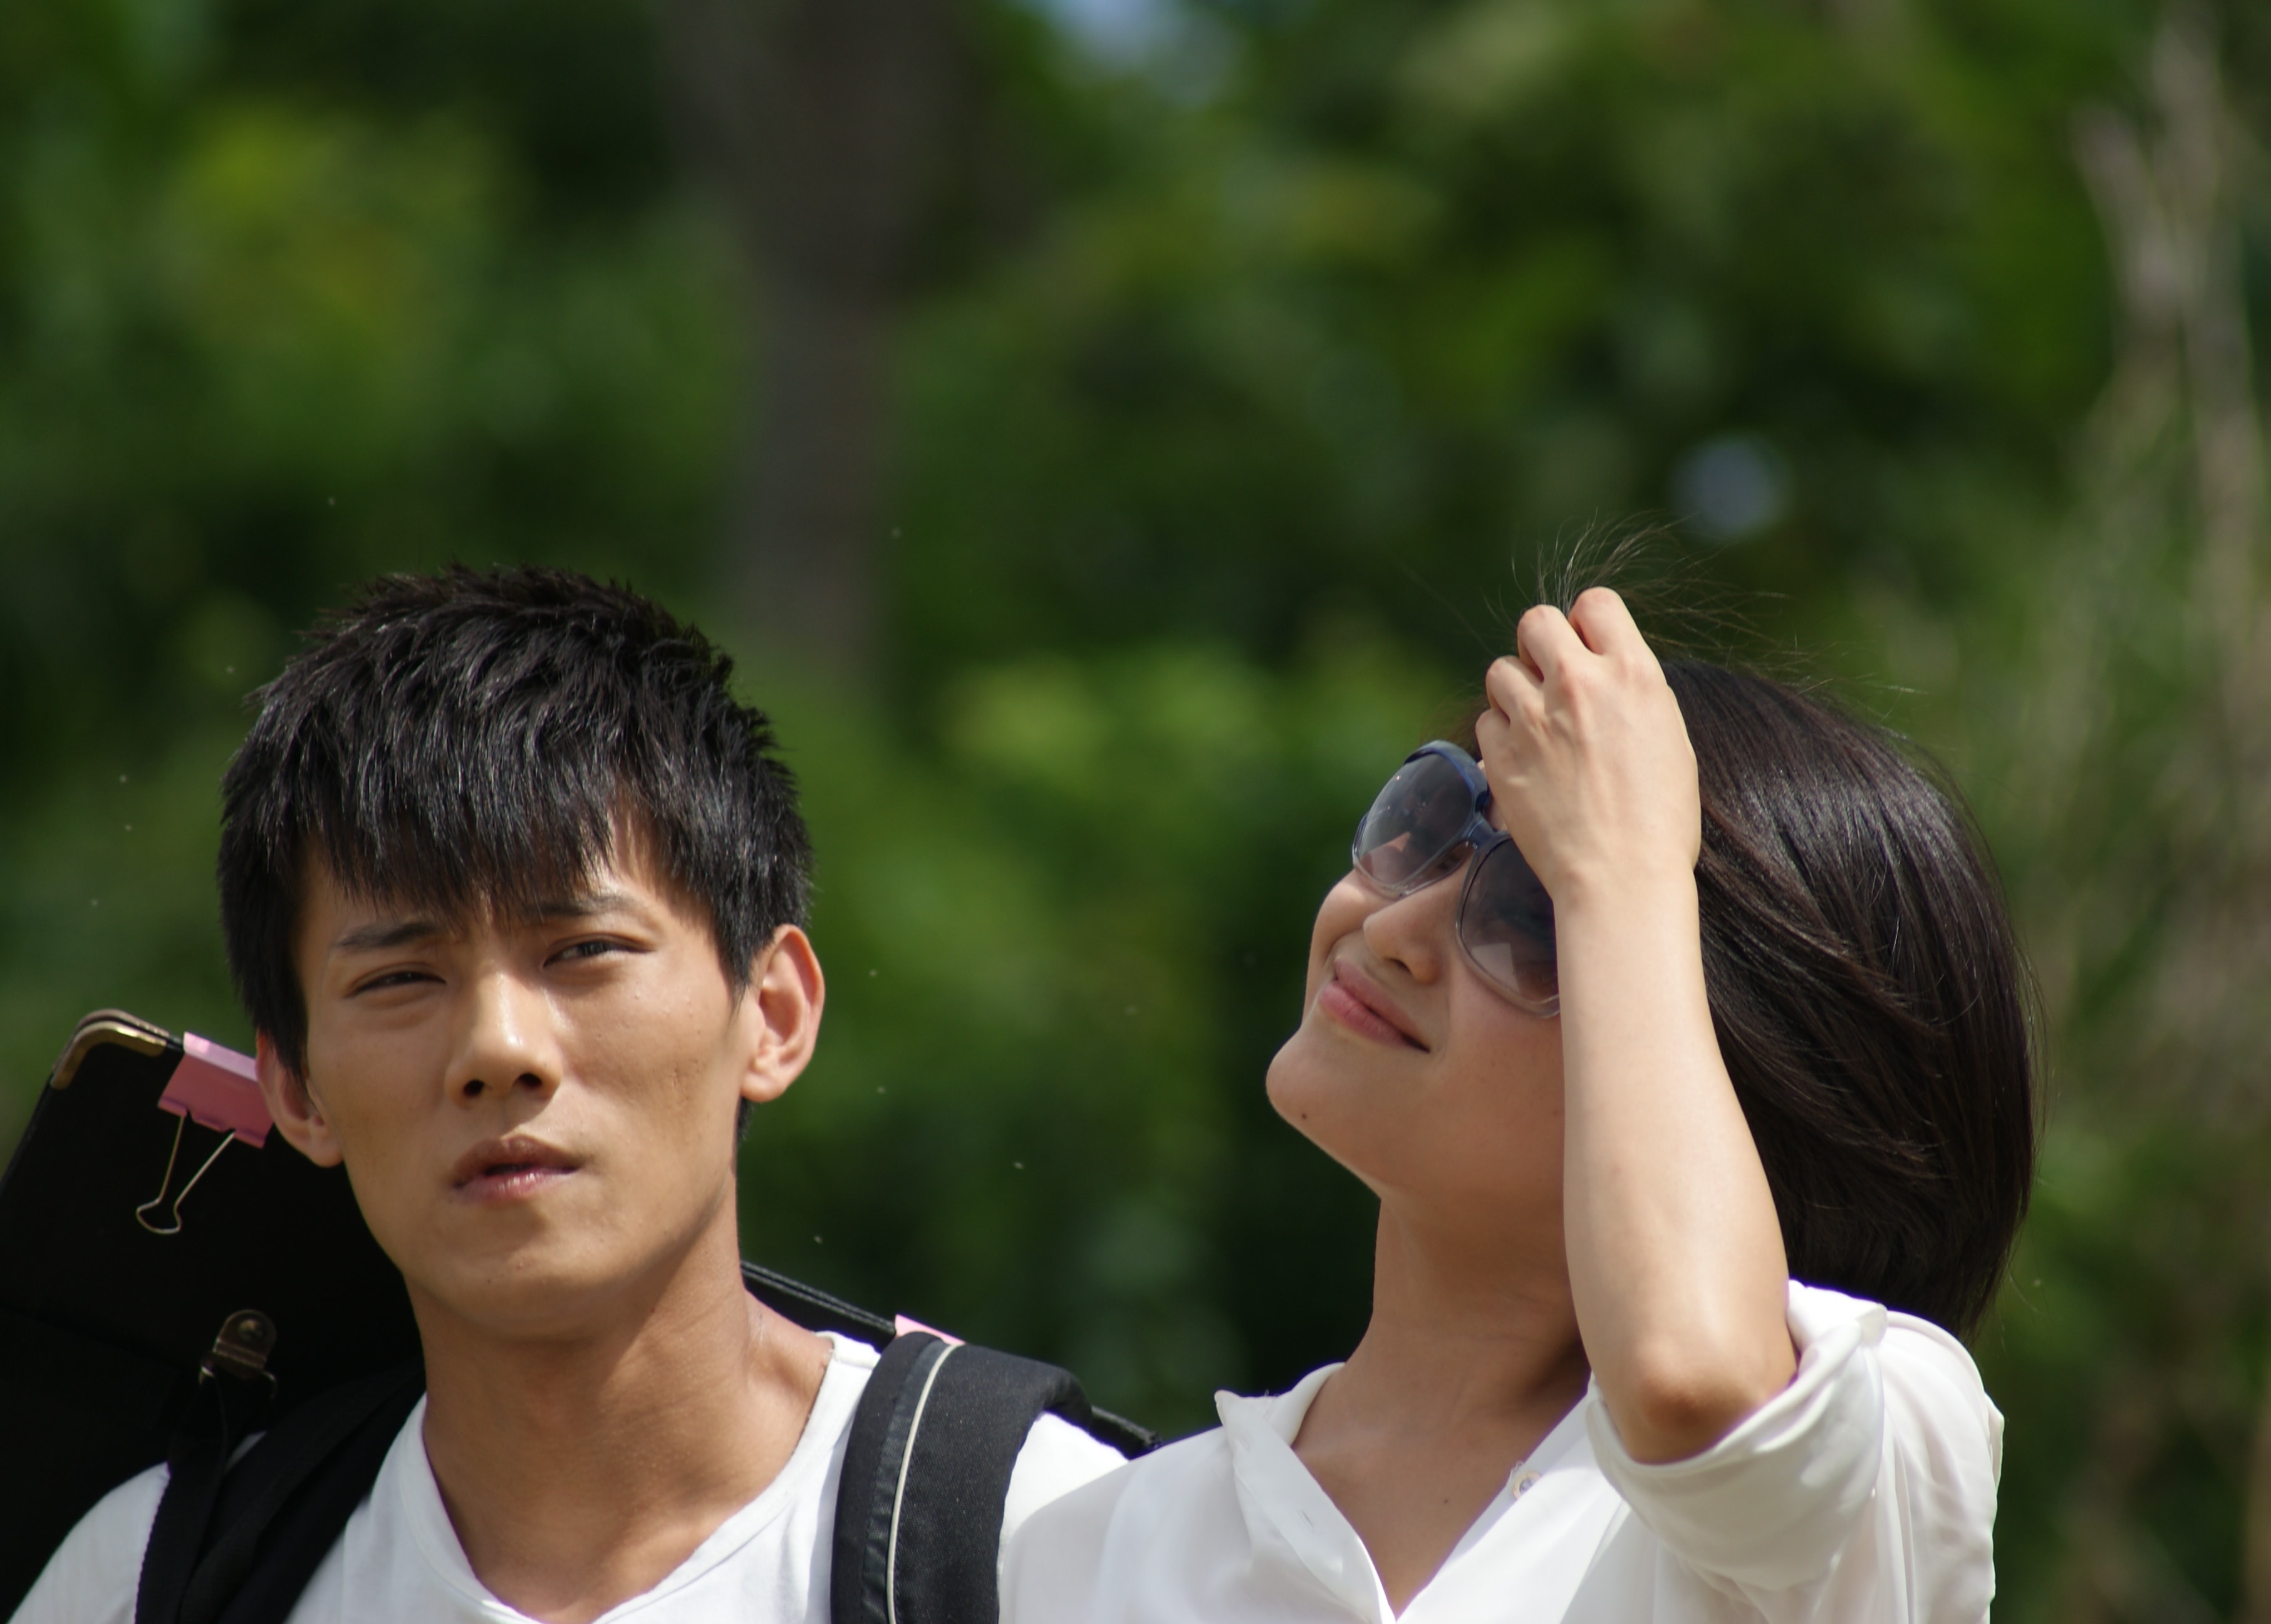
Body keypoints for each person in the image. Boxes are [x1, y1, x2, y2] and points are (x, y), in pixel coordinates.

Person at [12, 566, 1126, 1624]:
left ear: (774, 1013)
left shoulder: (1054, 1548)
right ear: (295, 1084)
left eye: (584, 950)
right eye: (401, 979)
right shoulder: (153, 1581)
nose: (499, 1049)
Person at [1002, 586, 2035, 1623]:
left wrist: (1624, 872)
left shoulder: (1880, 1451)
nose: (1395, 927)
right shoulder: (1086, 1546)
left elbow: (1695, 1387)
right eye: (1427, 822)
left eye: (1536, 915)